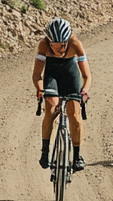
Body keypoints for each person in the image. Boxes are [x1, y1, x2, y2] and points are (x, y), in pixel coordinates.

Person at [32, 18, 91, 172]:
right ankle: (45, 152)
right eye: (56, 47)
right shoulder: (43, 45)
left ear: (68, 40)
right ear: (49, 43)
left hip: (70, 75)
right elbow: (37, 75)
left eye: (63, 45)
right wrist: (40, 90)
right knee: (50, 108)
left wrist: (84, 92)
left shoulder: (75, 44)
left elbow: (86, 76)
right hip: (52, 76)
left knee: (74, 113)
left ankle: (77, 156)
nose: (61, 50)